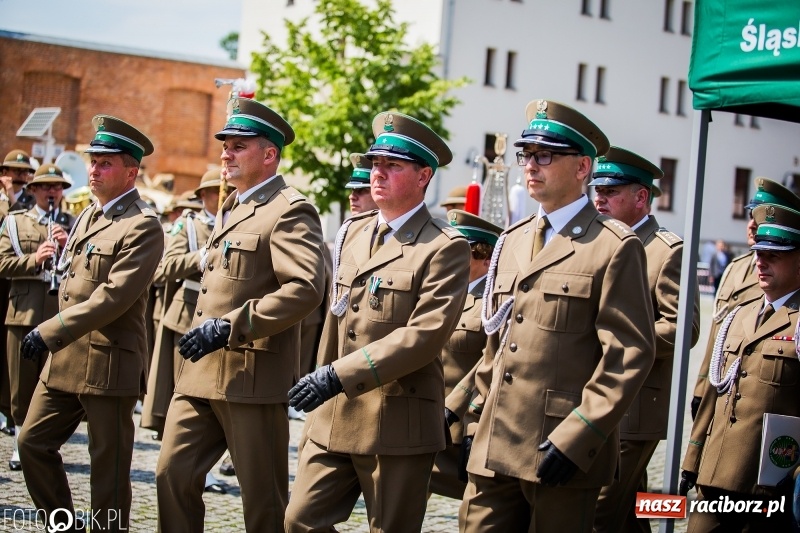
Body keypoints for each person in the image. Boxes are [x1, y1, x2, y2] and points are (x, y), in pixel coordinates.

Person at [458, 99, 655, 532]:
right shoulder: (510, 240)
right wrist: (471, 417)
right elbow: (495, 345)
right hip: (495, 447)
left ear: (583, 167)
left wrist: (579, 435)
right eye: (526, 155)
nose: (531, 165)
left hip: (559, 447)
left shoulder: (613, 245)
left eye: (545, 155)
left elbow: (628, 355)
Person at [284, 111, 470, 532]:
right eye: (375, 164)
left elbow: (423, 336)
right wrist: (323, 385)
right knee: (299, 521)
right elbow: (337, 320)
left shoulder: (444, 247)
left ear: (424, 176)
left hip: (396, 419)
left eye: (393, 165)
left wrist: (336, 375)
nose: (377, 173)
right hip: (335, 415)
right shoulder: (353, 232)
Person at [155, 97, 326, 532]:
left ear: (269, 155)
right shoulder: (231, 204)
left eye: (238, 146)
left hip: (250, 378)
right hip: (198, 374)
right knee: (171, 475)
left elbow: (305, 289)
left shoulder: (290, 209)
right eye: (225, 145)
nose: (225, 153)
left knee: (263, 502)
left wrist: (231, 326)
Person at [16, 115, 164, 531]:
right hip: (64, 359)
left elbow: (112, 297)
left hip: (107, 361)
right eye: (93, 160)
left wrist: (49, 331)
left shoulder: (143, 225)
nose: (94, 169)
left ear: (131, 171)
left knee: (109, 472)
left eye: (105, 163)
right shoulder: (88, 217)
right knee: (31, 443)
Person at [589, 147, 700, 532]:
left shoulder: (667, 251)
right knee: (632, 509)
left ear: (641, 198)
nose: (599, 198)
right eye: (597, 190)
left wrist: (617, 339)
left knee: (598, 512)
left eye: (611, 191)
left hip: (636, 405)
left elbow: (683, 328)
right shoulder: (599, 241)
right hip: (597, 395)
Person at [681, 202, 800, 531]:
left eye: (774, 255)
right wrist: (692, 462)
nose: (760, 262)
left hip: (767, 487)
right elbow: (712, 399)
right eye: (759, 253)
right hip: (713, 477)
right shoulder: (738, 316)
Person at [689, 178, 800, 420]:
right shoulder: (734, 269)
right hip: (717, 386)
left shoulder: (785, 279)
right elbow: (715, 337)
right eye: (750, 216)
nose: (751, 225)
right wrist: (701, 387)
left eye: (758, 219)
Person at [0, 164, 75, 472]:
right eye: (46, 186)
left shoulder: (71, 223)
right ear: (33, 190)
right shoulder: (16, 222)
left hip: (59, 314)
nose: (53, 192)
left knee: (54, 383)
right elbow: (3, 263)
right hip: (24, 311)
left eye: (57, 187)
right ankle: (21, 442)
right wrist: (35, 258)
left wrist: (65, 246)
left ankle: (44, 441)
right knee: (22, 381)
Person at [432, 209, 501, 500]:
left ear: (486, 260)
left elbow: (494, 359)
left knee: (479, 509)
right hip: (427, 421)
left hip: (464, 427)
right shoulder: (442, 292)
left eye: (464, 252)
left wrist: (454, 407)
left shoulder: (493, 302)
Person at [0, 149, 36, 216]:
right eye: (17, 170)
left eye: (25, 171)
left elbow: (24, 223)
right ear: (5, 172)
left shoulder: (33, 201)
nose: (22, 175)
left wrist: (12, 198)